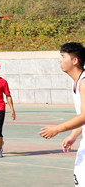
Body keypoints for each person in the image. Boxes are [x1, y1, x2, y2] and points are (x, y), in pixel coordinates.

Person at [39, 42, 85, 185]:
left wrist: (57, 129)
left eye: (63, 56)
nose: (60, 60)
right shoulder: (76, 82)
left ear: (74, 60)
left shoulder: (84, 83)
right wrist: (73, 135)